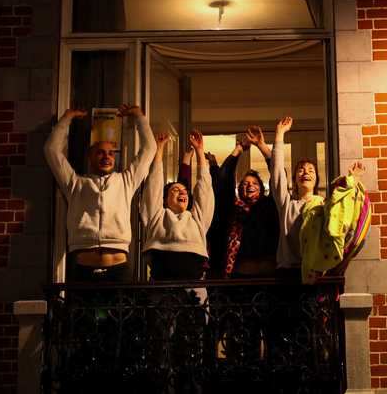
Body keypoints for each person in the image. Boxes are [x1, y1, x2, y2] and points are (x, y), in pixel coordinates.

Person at [43, 104, 156, 283]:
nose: (106, 157)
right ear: (90, 156)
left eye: (111, 153)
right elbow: (52, 151)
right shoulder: (75, 184)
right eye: (100, 153)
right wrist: (67, 118)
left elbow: (149, 149)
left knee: (120, 312)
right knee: (82, 312)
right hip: (83, 271)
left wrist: (139, 117)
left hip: (119, 271)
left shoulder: (126, 181)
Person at [268, 116, 367, 282]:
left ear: (316, 179)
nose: (305, 172)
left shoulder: (323, 205)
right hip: (287, 273)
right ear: (294, 179)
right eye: (300, 170)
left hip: (315, 273)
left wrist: (353, 179)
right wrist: (279, 135)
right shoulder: (287, 204)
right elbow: (277, 173)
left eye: (311, 170)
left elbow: (343, 214)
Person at [140, 129, 214, 282]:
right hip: (161, 287)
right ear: (165, 199)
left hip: (193, 285)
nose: (183, 193)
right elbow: (153, 185)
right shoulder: (157, 217)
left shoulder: (196, 219)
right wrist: (159, 149)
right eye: (176, 190)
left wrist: (200, 152)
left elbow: (204, 189)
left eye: (185, 191)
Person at [209, 130, 279, 278]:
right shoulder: (232, 209)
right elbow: (223, 181)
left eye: (254, 183)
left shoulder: (269, 206)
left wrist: (261, 146)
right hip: (235, 277)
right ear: (239, 189)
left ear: (261, 188)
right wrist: (239, 149)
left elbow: (279, 176)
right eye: (245, 183)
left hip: (266, 278)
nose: (249, 185)